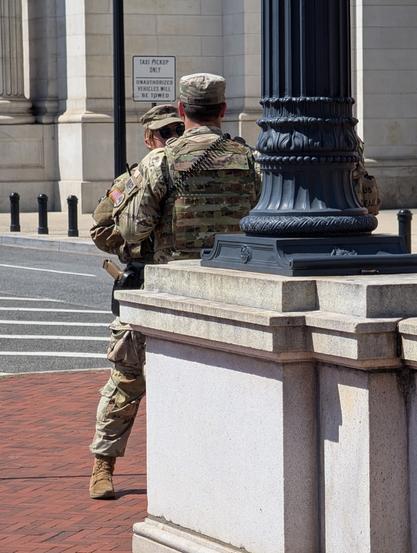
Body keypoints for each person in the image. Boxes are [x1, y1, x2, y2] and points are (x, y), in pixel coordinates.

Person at [90, 73, 260, 499]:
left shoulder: (160, 162)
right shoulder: (252, 159)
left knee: (127, 377)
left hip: (169, 289)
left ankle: (104, 466)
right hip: (235, 292)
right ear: (224, 111)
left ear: (183, 113)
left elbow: (130, 227)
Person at [89, 104, 184, 500]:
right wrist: (135, 241)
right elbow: (101, 228)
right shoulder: (134, 178)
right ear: (150, 139)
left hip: (185, 287)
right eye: (165, 133)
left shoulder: (190, 173)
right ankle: (102, 466)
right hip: (143, 285)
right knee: (126, 382)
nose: (170, 138)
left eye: (175, 129)